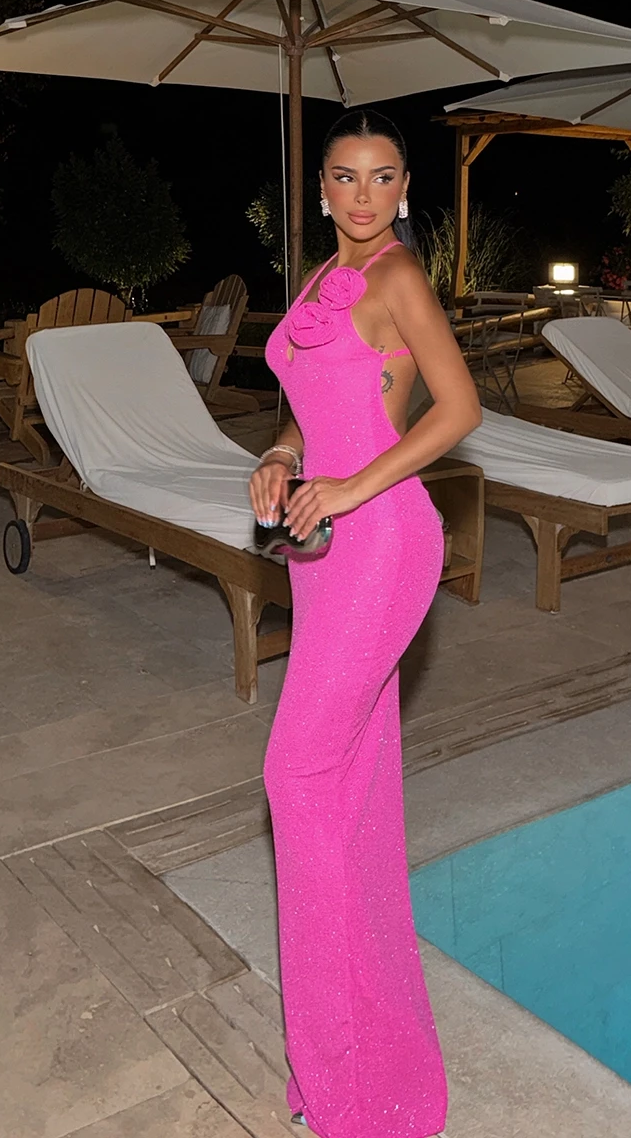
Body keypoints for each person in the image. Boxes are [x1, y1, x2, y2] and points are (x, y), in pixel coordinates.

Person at [249, 108, 481, 1138]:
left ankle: (346, 1063)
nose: (361, 194)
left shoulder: (398, 279)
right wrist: (284, 455)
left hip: (383, 541)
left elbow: (458, 410)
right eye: (344, 176)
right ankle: (366, 1058)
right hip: (324, 551)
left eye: (382, 177)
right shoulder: (319, 280)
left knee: (295, 776)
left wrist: (348, 486)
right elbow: (311, 399)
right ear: (322, 188)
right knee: (351, 788)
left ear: (405, 188)